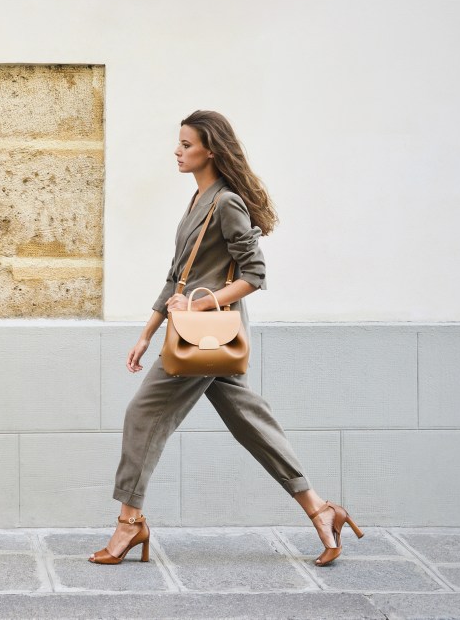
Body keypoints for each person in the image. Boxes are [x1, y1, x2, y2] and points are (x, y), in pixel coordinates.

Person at [89, 110, 363, 567]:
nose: (177, 152)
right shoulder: (199, 199)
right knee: (251, 423)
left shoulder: (227, 202)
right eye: (178, 144)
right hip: (200, 333)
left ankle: (129, 523)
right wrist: (146, 333)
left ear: (210, 150)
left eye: (186, 145)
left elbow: (254, 275)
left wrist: (195, 306)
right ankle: (320, 509)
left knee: (142, 412)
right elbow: (177, 277)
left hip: (208, 334)